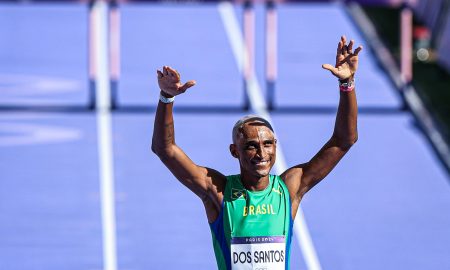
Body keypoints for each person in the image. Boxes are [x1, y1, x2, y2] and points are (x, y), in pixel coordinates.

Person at [152, 36, 362, 270]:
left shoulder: (289, 188)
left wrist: (347, 84)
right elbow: (165, 150)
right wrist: (166, 98)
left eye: (268, 144)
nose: (262, 153)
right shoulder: (218, 191)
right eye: (251, 145)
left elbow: (344, 140)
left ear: (275, 146)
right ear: (235, 151)